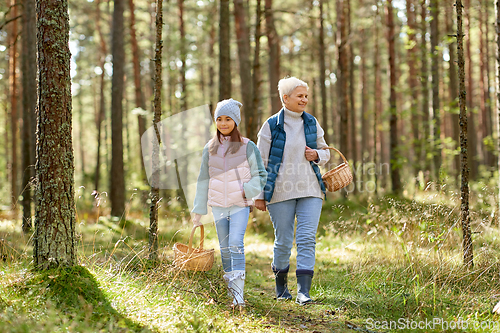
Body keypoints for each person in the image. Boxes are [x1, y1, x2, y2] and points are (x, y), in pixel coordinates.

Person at [255, 77, 330, 305]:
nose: (305, 100)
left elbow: (326, 152)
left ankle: (303, 292)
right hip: (280, 191)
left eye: (306, 96)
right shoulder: (270, 125)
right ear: (285, 98)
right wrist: (259, 195)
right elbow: (260, 162)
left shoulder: (311, 122)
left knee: (307, 239)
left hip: (311, 189)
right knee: (284, 240)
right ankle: (281, 289)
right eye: (300, 96)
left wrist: (317, 155)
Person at [191, 98, 267, 308]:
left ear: (235, 121)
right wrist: (198, 211)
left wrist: (246, 191)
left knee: (235, 243)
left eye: (228, 119)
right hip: (217, 206)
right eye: (219, 119)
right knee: (224, 248)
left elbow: (261, 174)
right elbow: (202, 180)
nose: (223, 123)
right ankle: (232, 292)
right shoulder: (210, 148)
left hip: (240, 204)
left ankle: (239, 296)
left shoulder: (247, 146)